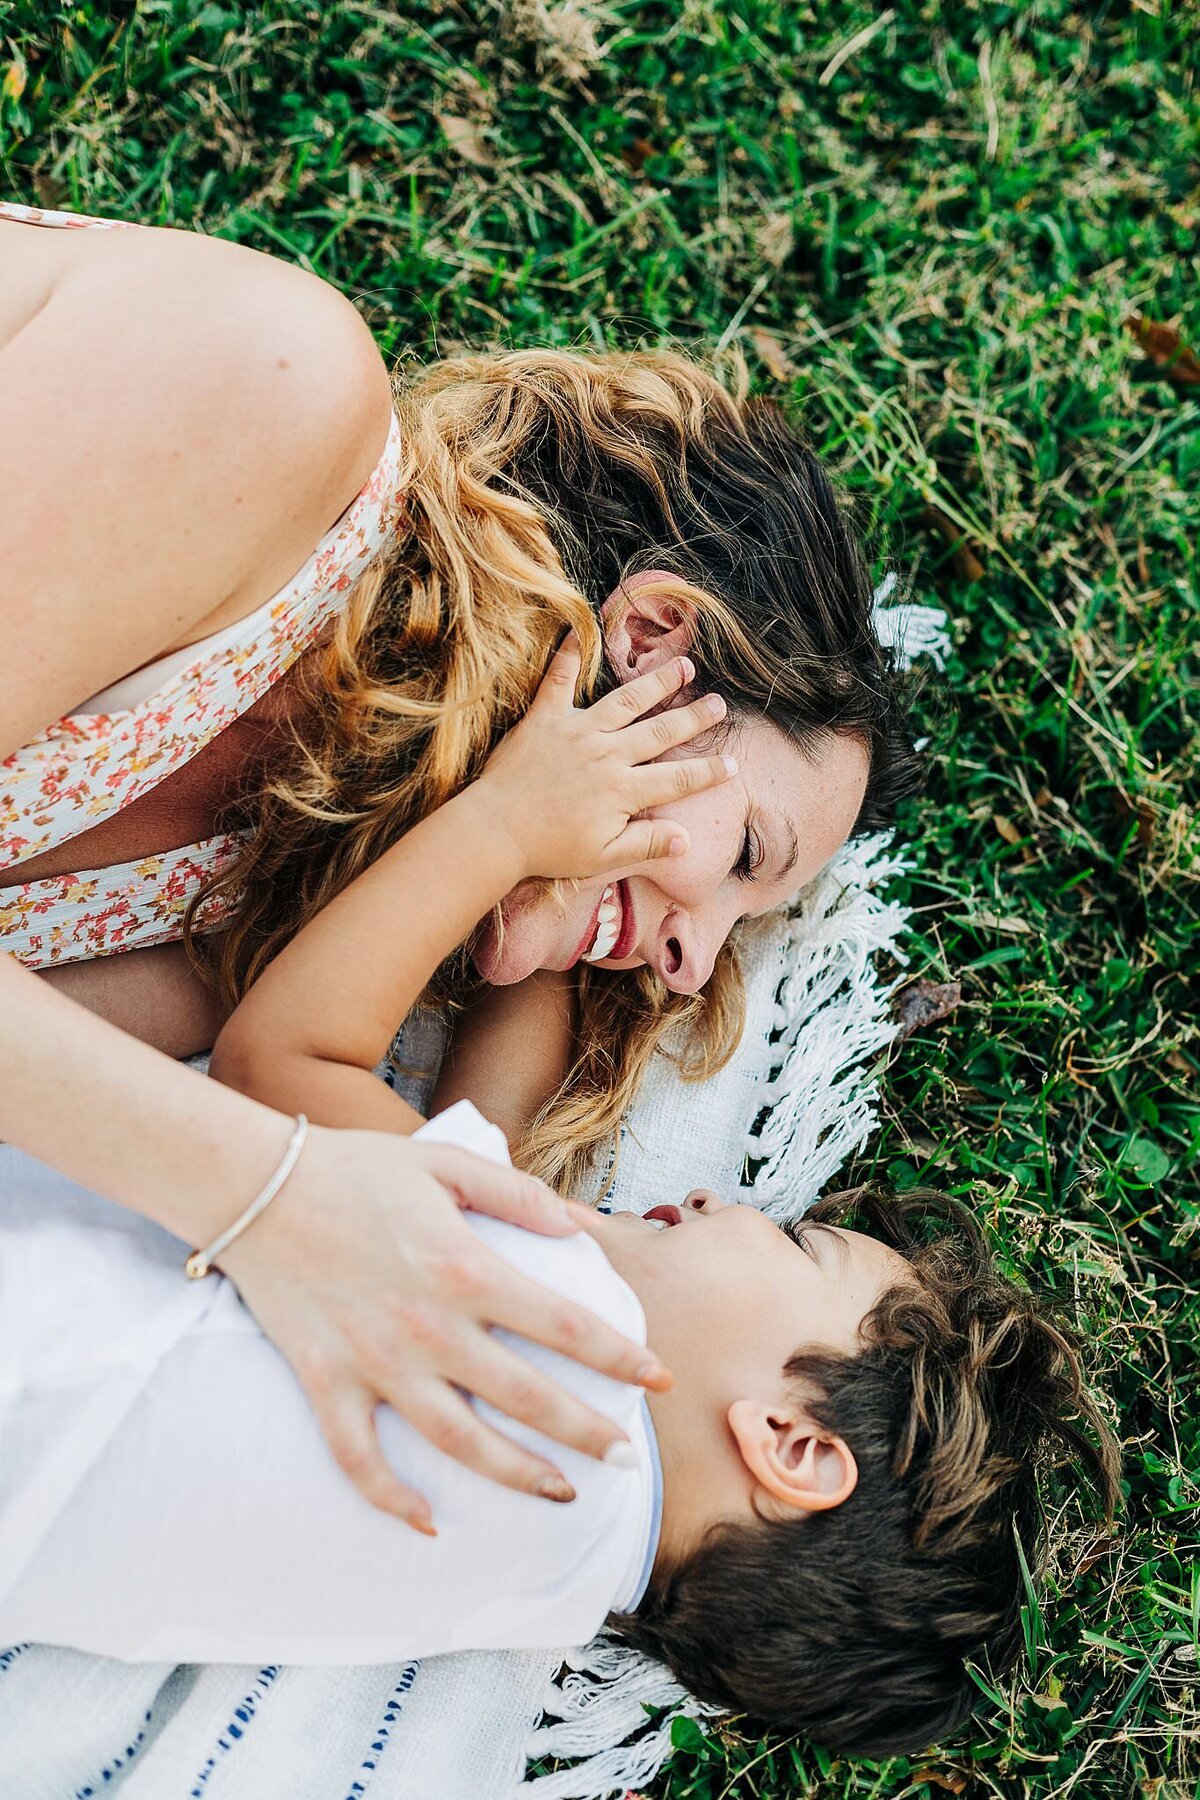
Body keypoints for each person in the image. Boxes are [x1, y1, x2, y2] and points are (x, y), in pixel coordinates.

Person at [0, 196, 917, 1529]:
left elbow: (451, 1164)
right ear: (653, 641)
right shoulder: (272, 390)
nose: (692, 955)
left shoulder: (219, 925)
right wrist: (266, 1199)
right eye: (745, 858)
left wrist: (524, 922)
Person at [0, 1092, 1119, 1757]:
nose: (731, 1205)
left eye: (787, 1243)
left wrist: (513, 831)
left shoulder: (575, 1349)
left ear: (793, 1444)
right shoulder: (541, 1596)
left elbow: (294, 1058)